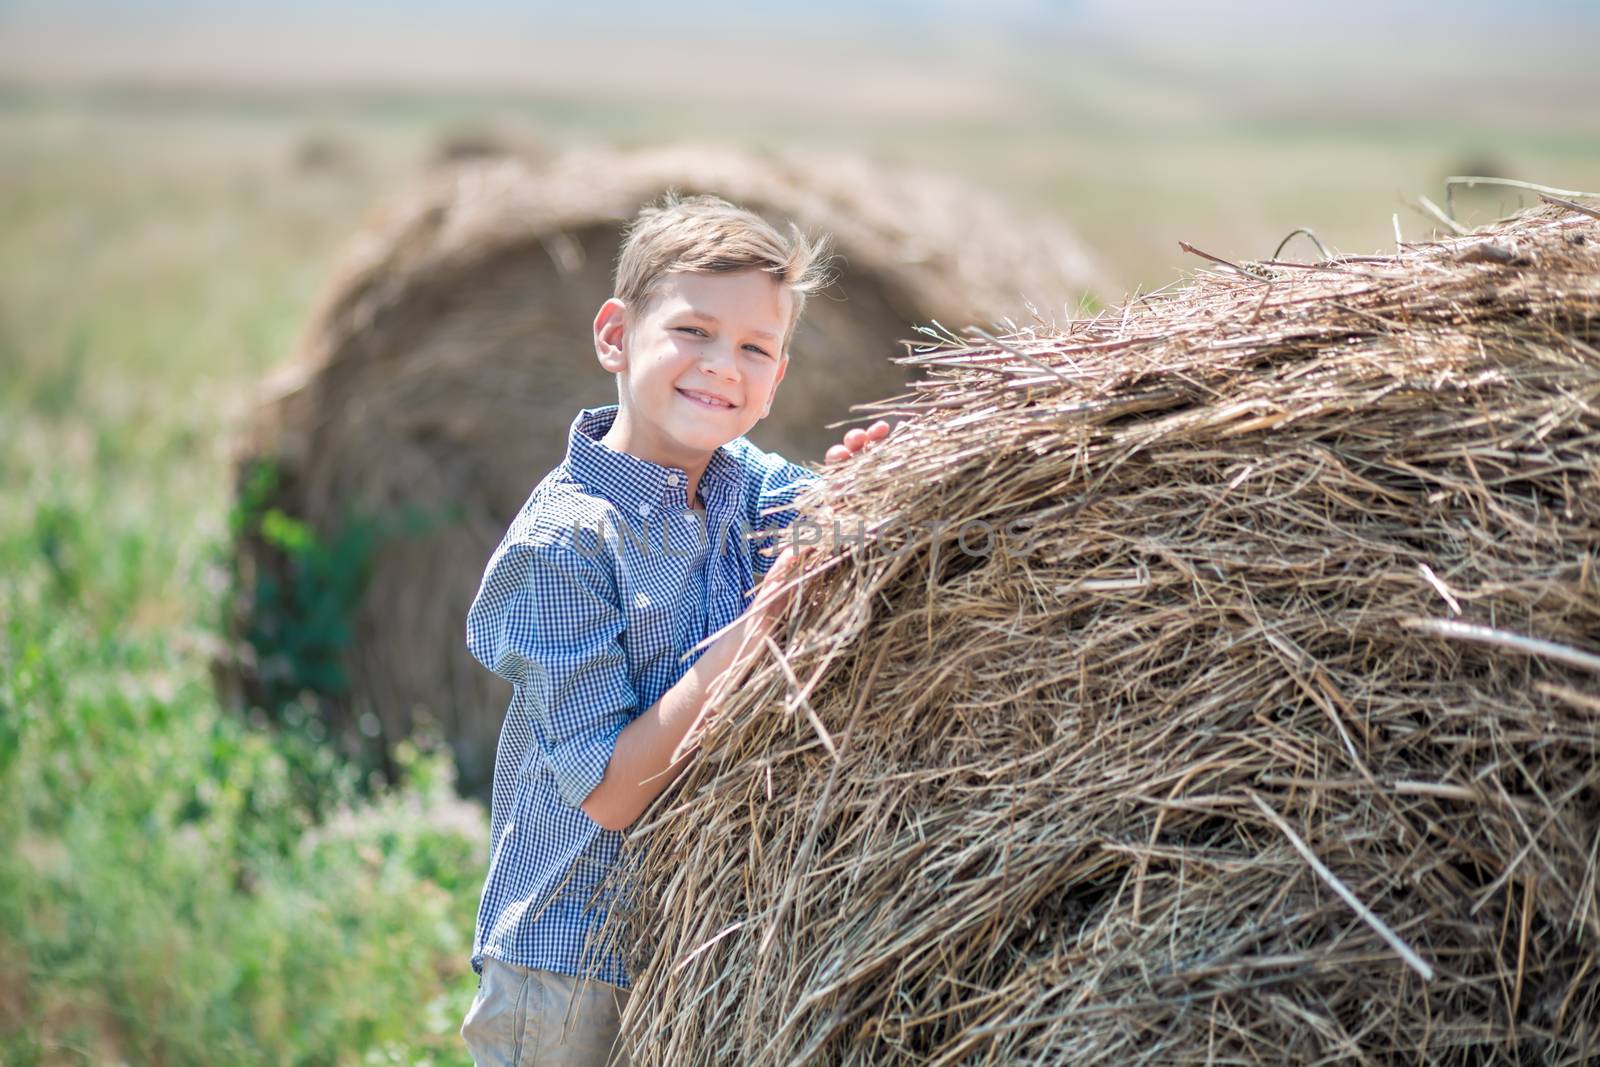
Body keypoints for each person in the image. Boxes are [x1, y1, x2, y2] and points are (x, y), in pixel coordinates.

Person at [458, 190, 889, 1066]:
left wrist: (862, 489)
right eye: (692, 331)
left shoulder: (741, 485)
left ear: (775, 382)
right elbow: (612, 793)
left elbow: (826, 525)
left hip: (690, 947)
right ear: (615, 335)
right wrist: (759, 629)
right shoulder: (564, 544)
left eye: (753, 348)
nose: (720, 365)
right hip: (565, 965)